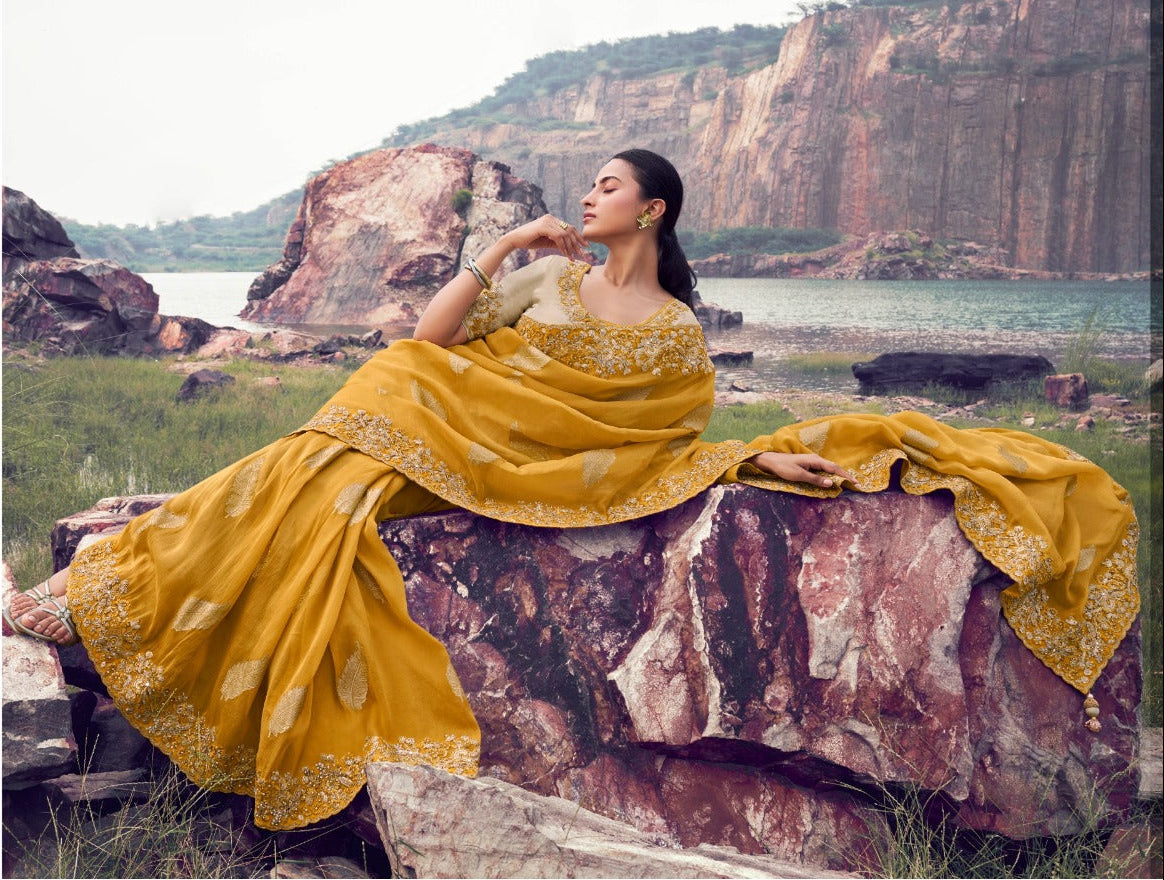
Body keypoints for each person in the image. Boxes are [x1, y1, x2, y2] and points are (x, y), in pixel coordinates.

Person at [4, 149, 1139, 832]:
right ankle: (105, 588)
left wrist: (748, 460)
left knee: (323, 470)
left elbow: (655, 441)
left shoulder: (677, 331)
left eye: (608, 185)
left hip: (521, 468)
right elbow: (432, 342)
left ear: (652, 210)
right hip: (441, 423)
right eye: (588, 184)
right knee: (325, 463)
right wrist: (501, 249)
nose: (588, 197)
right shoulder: (545, 275)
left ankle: (97, 591)